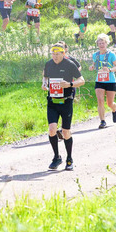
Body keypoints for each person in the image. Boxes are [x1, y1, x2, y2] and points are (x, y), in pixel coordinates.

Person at [42, 42, 85, 170]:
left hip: (66, 101)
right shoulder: (49, 64)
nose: (55, 57)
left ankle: (69, 158)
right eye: (53, 54)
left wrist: (70, 84)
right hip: (52, 101)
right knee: (52, 129)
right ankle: (56, 157)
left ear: (63, 53)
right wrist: (44, 84)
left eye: (57, 54)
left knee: (66, 131)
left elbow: (82, 81)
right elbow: (45, 77)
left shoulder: (69, 64)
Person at [88, 34, 116, 129]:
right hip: (99, 81)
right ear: (97, 44)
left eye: (103, 43)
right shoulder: (95, 55)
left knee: (110, 103)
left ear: (107, 44)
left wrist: (109, 70)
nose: (101, 45)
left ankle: (114, 110)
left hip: (110, 81)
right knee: (100, 101)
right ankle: (102, 121)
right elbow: (94, 65)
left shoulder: (111, 54)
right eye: (100, 43)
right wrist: (91, 67)